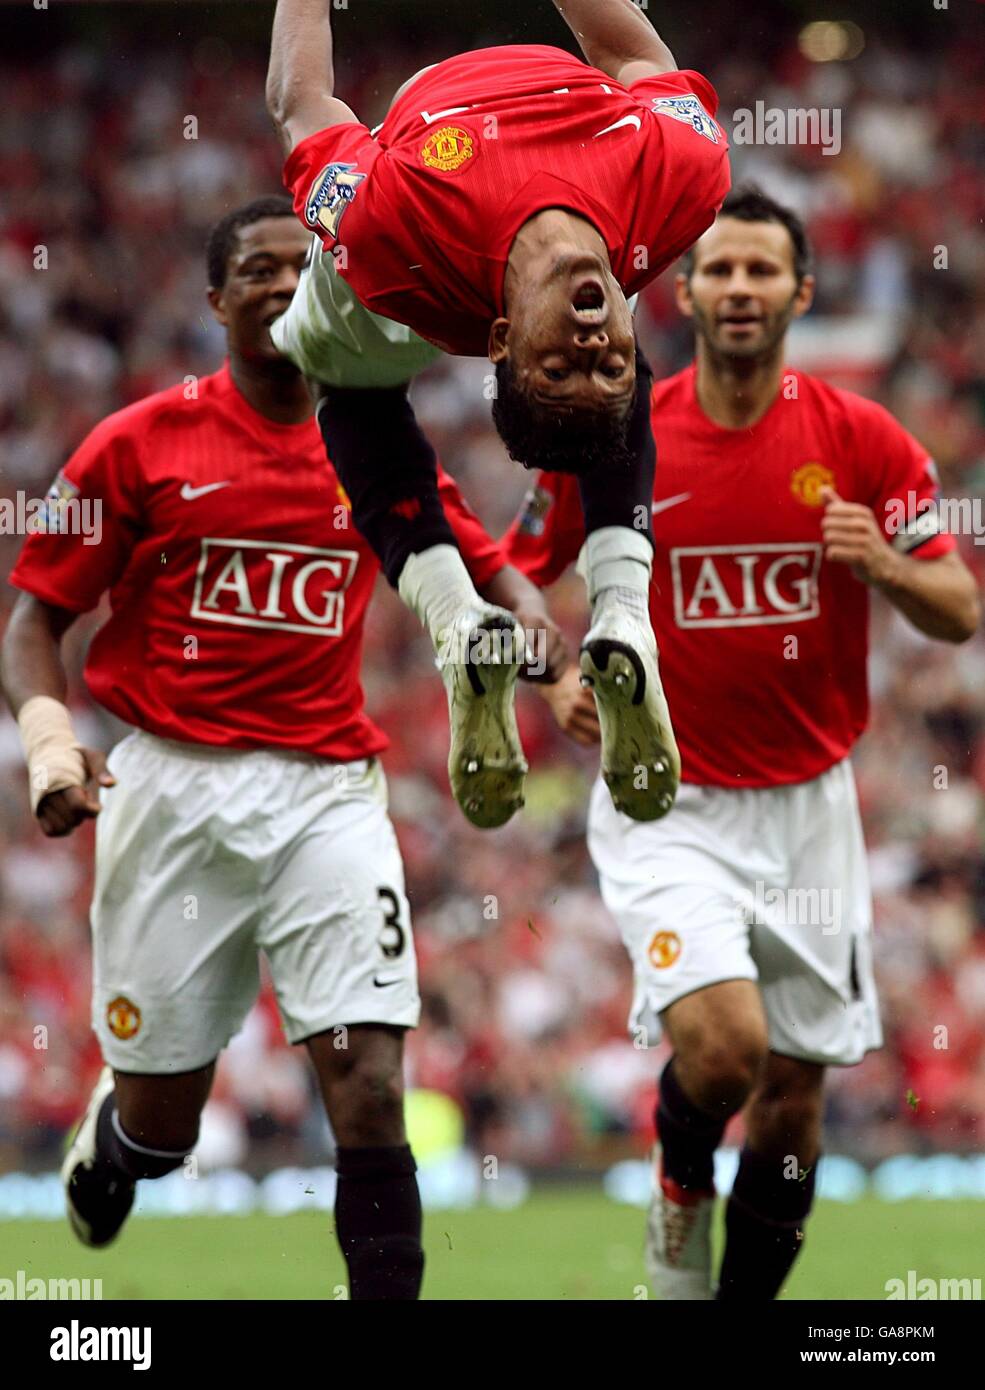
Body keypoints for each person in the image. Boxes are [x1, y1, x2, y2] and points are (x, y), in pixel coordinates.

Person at [1, 195, 559, 1301]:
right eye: (254, 269)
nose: (276, 284)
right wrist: (51, 739)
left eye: (299, 266)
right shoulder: (138, 441)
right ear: (216, 298)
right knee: (165, 1121)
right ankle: (115, 1144)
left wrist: (531, 629)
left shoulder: (372, 438)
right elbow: (34, 621)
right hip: (169, 788)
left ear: (329, 287)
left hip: (328, 795)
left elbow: (484, 561)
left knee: (367, 1080)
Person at [503, 187, 980, 1299]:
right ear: (685, 289)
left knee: (795, 1103)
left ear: (800, 292)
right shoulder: (621, 432)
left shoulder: (860, 438)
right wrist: (560, 673)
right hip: (667, 795)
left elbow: (957, 604)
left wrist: (888, 566)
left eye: (761, 270)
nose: (737, 289)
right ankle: (676, 1196)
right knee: (723, 1051)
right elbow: (511, 575)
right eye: (717, 269)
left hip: (811, 802)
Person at [264, 0, 731, 827]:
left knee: (339, 380)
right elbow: (623, 44)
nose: (593, 337)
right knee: (603, 404)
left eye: (560, 363)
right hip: (535, 220)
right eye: (610, 354)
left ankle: (454, 619)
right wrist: (587, 378)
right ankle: (625, 610)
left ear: (504, 343)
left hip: (396, 303)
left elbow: (300, 102)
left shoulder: (387, 230)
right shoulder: (685, 176)